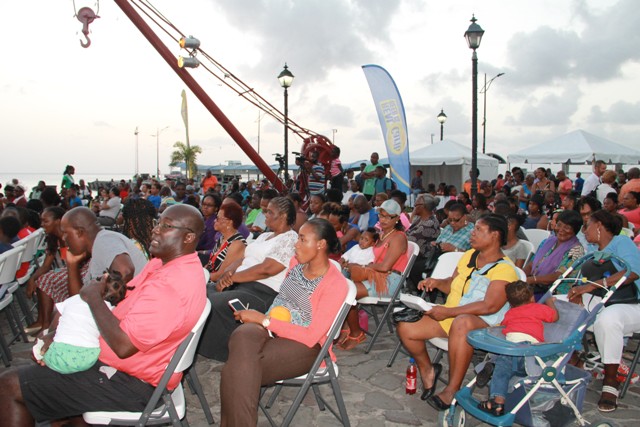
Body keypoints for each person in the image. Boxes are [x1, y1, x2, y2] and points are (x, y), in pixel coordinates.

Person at [0, 204, 206, 425]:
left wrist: (93, 298)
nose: (156, 230)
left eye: (166, 226)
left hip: (132, 383)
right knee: (50, 390)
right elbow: (123, 306)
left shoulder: (170, 285)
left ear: (188, 237)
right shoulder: (164, 264)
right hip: (130, 369)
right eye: (158, 223)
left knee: (9, 385)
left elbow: (124, 346)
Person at [219, 218, 348, 425]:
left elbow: (311, 336)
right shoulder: (295, 264)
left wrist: (264, 320)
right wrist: (263, 322)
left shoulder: (335, 284)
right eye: (298, 238)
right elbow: (283, 301)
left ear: (320, 244)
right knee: (241, 336)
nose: (296, 245)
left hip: (306, 347)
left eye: (302, 240)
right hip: (272, 328)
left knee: (237, 370)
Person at [396, 214, 519, 410]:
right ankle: (428, 370)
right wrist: (436, 283)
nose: (472, 233)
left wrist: (449, 312)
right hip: (453, 316)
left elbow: (490, 306)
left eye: (478, 229)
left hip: (482, 324)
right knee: (406, 328)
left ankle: (452, 390)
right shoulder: (470, 255)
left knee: (462, 322)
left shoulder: (505, 269)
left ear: (495, 235)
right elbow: (452, 284)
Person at [197, 197, 298, 362]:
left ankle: (226, 351)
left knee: (213, 302)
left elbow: (267, 269)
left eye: (269, 212)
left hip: (261, 291)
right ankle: (190, 341)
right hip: (240, 285)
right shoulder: (264, 236)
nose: (264, 215)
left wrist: (233, 278)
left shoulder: (289, 238)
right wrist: (227, 275)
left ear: (284, 216)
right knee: (198, 293)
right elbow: (243, 258)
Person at [566, 209, 640, 412]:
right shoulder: (592, 250)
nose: (584, 230)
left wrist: (593, 285)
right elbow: (585, 282)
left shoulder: (621, 243)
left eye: (587, 224)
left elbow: (633, 271)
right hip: (603, 300)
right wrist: (578, 291)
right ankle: (573, 360)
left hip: (631, 304)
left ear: (599, 226)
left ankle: (611, 381)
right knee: (559, 303)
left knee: (608, 320)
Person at [478, 281, 558, 415]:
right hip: (528, 355)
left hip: (512, 350)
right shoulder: (538, 309)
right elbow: (555, 317)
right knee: (504, 364)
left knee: (502, 367)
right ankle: (496, 396)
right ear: (532, 298)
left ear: (510, 303)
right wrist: (550, 302)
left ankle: (497, 397)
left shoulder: (510, 313)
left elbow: (504, 327)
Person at [339, 199, 408, 350]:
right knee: (341, 286)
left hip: (390, 280)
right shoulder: (381, 235)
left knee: (347, 292)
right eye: (381, 215)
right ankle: (347, 328)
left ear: (397, 218)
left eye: (388, 217)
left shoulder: (398, 237)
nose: (383, 219)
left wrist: (361, 267)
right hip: (375, 274)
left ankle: (355, 332)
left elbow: (385, 267)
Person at [34, 269, 129, 374]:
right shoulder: (108, 311)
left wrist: (50, 336)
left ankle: (42, 359)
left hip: (59, 354)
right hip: (88, 357)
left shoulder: (75, 298)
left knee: (41, 338)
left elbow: (55, 324)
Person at [525, 209, 584, 295]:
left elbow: (559, 275)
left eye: (567, 227)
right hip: (535, 286)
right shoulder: (547, 241)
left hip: (554, 293)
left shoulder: (576, 250)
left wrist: (532, 280)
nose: (561, 229)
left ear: (575, 230)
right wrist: (520, 276)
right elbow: (531, 264)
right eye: (559, 225)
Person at [205, 201, 247, 283]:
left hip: (219, 285)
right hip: (209, 279)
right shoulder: (222, 238)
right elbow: (210, 264)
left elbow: (220, 275)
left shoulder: (237, 244)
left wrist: (200, 277)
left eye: (217, 218)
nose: (214, 221)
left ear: (229, 222)